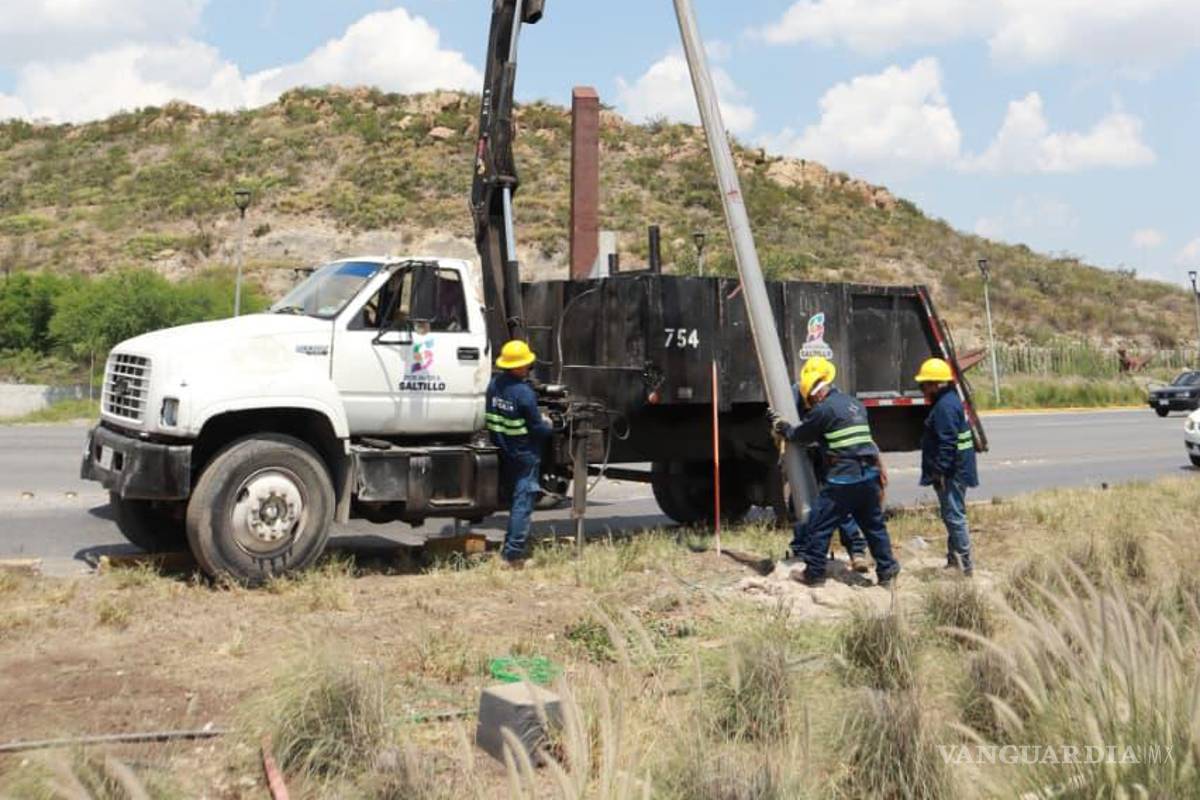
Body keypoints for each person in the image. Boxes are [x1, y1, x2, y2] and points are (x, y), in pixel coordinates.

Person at [769, 357, 900, 587]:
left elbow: (799, 436)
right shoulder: (854, 404)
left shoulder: (823, 410)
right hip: (869, 476)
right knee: (874, 526)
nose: (809, 403)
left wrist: (783, 428)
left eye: (809, 399)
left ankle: (814, 574)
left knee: (820, 525)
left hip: (844, 478)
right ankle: (888, 573)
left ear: (816, 393)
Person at [486, 340, 552, 567]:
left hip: (505, 450)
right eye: (525, 364)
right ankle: (513, 555)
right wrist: (550, 425)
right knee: (523, 502)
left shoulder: (494, 385)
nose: (528, 367)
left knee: (515, 499)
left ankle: (509, 546)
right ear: (517, 367)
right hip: (525, 454)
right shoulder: (524, 393)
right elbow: (538, 428)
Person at [915, 358, 979, 576]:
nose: (922, 388)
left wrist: (940, 472)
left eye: (924, 384)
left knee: (954, 516)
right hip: (956, 469)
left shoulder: (944, 407)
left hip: (953, 472)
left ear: (935, 383)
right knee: (952, 515)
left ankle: (964, 567)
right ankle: (955, 562)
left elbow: (947, 443)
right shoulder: (948, 401)